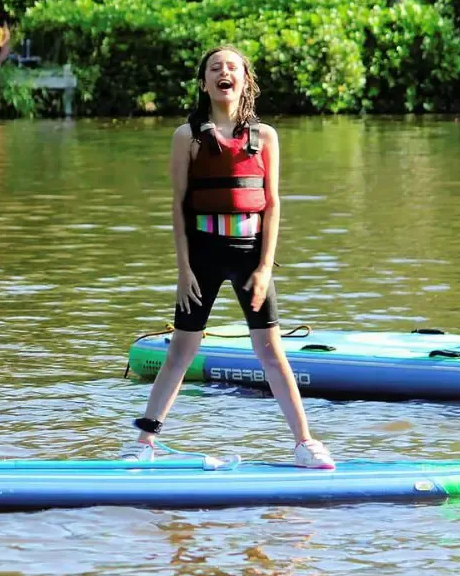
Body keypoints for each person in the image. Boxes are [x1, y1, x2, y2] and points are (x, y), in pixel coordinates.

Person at [120, 45, 336, 469]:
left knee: (270, 349)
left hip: (250, 255)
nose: (224, 72)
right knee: (182, 348)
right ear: (204, 83)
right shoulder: (188, 137)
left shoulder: (266, 137)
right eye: (215, 68)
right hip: (201, 254)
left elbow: (272, 205)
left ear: (245, 81)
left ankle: (305, 444)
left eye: (232, 67)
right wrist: (183, 271)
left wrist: (262, 269)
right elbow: (179, 206)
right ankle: (143, 442)